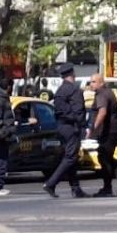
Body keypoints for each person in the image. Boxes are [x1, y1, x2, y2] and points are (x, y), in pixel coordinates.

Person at [43, 63, 88, 198]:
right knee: (70, 157)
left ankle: (76, 188)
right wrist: (83, 126)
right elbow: (78, 112)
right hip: (72, 127)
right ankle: (51, 183)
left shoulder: (60, 91)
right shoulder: (74, 90)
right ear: (73, 74)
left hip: (61, 127)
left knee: (71, 157)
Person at [87, 74, 117, 197]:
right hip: (111, 132)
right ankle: (108, 187)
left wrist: (93, 128)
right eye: (90, 82)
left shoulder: (102, 94)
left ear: (101, 83)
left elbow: (102, 112)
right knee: (104, 158)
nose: (91, 84)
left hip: (108, 132)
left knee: (105, 158)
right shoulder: (108, 92)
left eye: (93, 82)